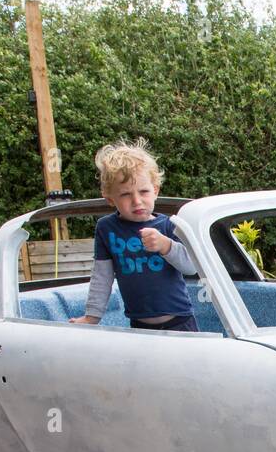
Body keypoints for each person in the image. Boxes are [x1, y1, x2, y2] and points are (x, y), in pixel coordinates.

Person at [71, 138, 199, 330]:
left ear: (155, 191)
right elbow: (102, 276)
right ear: (110, 199)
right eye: (125, 194)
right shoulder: (106, 228)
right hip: (139, 326)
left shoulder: (169, 225)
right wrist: (92, 317)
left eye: (144, 191)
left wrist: (166, 245)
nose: (137, 201)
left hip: (180, 321)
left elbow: (191, 267)